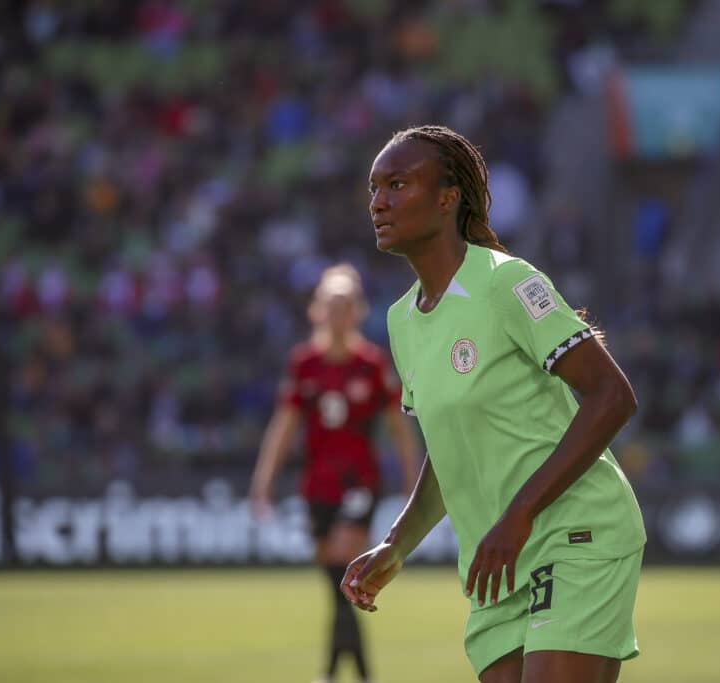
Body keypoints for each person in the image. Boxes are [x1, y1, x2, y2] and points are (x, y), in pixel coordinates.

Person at [342, 125, 646, 683]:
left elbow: (612, 396)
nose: (378, 202)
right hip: (497, 562)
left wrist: (520, 513)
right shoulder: (400, 319)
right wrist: (397, 542)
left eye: (398, 184)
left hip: (574, 533)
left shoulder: (507, 283)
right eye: (374, 188)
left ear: (446, 197)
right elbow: (450, 449)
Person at [249, 263, 420, 683]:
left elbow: (399, 429)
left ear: (358, 311)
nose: (337, 312)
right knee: (336, 586)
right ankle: (348, 673)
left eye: (345, 304)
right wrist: (263, 481)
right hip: (317, 487)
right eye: (330, 303)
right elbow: (284, 426)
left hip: (360, 482)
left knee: (345, 568)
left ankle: (337, 675)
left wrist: (412, 482)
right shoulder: (304, 364)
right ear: (317, 310)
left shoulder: (371, 364)